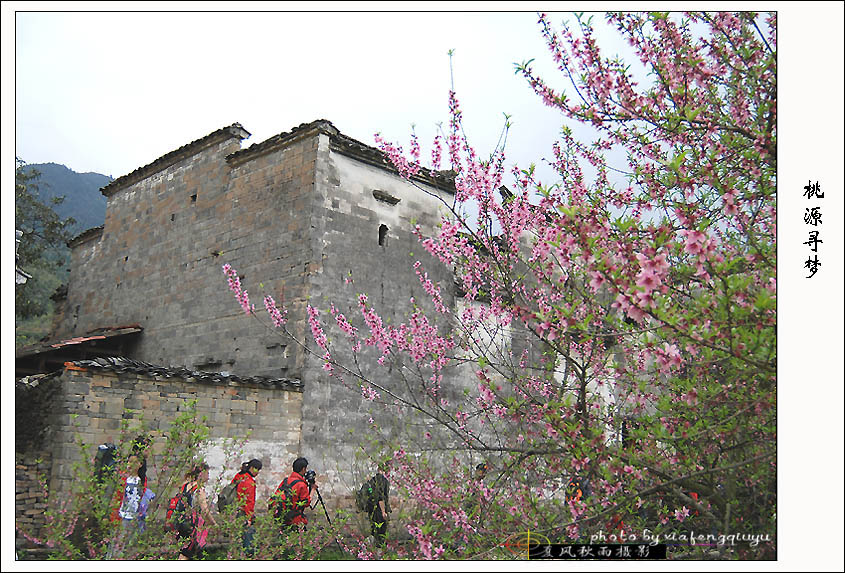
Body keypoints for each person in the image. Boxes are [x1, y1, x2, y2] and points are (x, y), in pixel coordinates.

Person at [177, 462, 217, 560]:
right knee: (188, 554)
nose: (208, 477)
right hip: (193, 526)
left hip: (182, 523)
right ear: (201, 474)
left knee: (186, 552)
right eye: (207, 473)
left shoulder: (185, 486)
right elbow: (204, 509)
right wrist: (213, 522)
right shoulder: (199, 489)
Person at [231, 458, 262, 555]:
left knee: (237, 539)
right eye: (257, 469)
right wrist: (249, 517)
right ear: (252, 468)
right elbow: (249, 502)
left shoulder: (239, 476)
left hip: (234, 510)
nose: (257, 472)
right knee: (248, 540)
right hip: (243, 513)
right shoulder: (249, 482)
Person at [275, 457, 313, 531]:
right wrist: (313, 489)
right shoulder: (301, 484)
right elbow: (306, 502)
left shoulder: (286, 481)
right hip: (295, 519)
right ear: (303, 469)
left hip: (283, 517)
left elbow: (277, 495)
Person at [365, 465, 391, 545]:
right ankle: (378, 549)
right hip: (379, 510)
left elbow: (370, 491)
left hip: (371, 509)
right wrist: (383, 512)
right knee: (381, 532)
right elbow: (381, 497)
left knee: (374, 529)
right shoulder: (382, 480)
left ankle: (370, 551)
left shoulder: (372, 480)